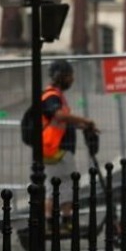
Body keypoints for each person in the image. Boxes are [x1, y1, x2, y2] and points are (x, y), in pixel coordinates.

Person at [39, 59, 99, 225]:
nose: (72, 80)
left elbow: (63, 122)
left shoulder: (56, 96)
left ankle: (60, 220)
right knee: (65, 185)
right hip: (56, 148)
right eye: (70, 76)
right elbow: (59, 116)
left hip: (55, 148)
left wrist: (83, 125)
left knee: (61, 185)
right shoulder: (51, 96)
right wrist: (85, 120)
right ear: (61, 77)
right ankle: (61, 221)